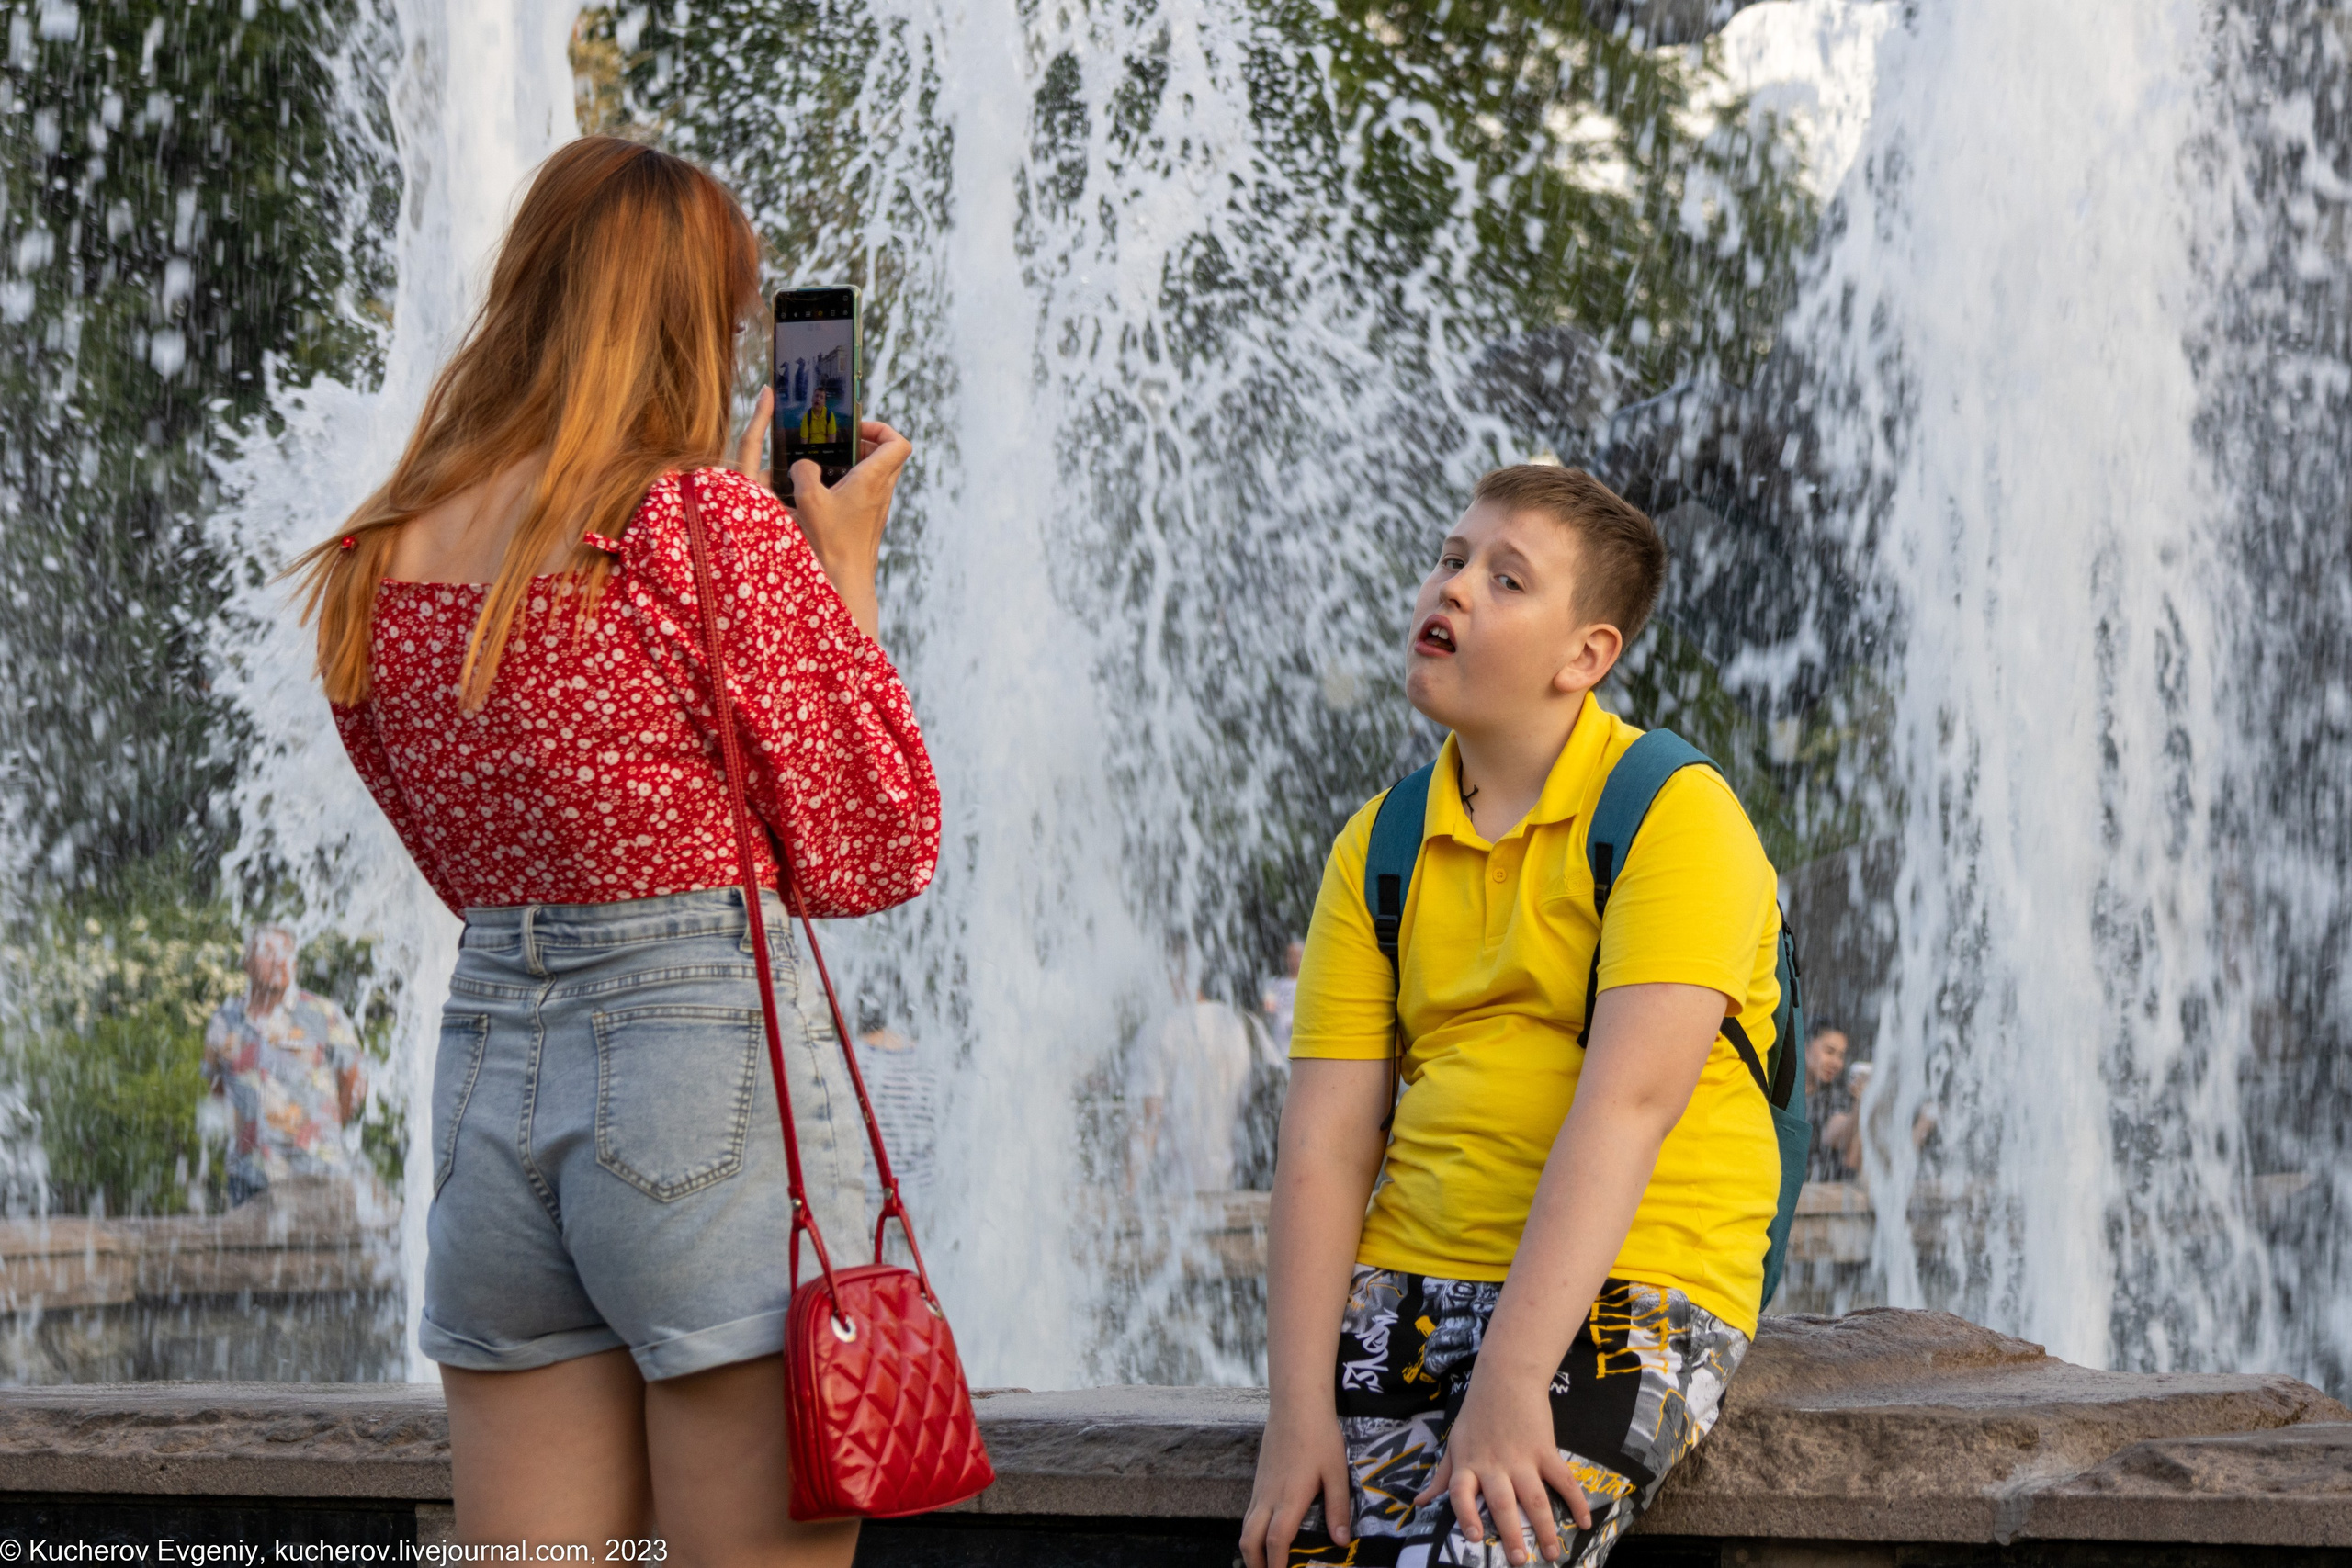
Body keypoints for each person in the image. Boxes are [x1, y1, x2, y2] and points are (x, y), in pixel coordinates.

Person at [288, 137, 936, 1564]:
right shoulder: (699, 523)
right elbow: (871, 843)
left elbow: (472, 859)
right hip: (694, 1088)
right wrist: (840, 570)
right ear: (696, 321)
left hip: (486, 1095)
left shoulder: (376, 557)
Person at [1242, 466, 1784, 1568]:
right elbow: (1324, 1144)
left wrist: (1507, 1382)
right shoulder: (1377, 847)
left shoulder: (1676, 815)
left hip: (1629, 1292)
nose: (1452, 590)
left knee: (1489, 1558)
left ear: (1584, 656)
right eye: (1450, 560)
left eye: (1505, 579)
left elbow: (1627, 1109)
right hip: (1409, 1285)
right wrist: (1292, 1414)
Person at [201, 925, 365, 1207]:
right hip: (248, 1177)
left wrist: (325, 1131)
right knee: (246, 1252)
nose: (279, 961)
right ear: (246, 963)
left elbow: (354, 1080)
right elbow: (216, 1087)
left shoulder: (323, 1014)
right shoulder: (224, 1021)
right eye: (267, 952)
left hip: (316, 1174)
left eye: (286, 953)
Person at [1136, 939, 1272, 1196]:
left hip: (1180, 1195)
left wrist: (1126, 1198)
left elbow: (1149, 1121)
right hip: (1248, 1188)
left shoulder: (1156, 1031)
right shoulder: (1245, 1025)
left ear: (1168, 972)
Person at [1805, 1023, 1856, 1181]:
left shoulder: (1836, 1095)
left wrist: (1863, 1104)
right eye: (1829, 1051)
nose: (1836, 1063)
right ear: (1805, 1046)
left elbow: (1834, 1135)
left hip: (1826, 1193)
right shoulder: (1778, 1090)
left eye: (1841, 1056)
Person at [1261, 938, 1305, 1055]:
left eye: (1297, 956)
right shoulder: (1274, 983)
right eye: (1289, 956)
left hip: (1300, 1047)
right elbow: (1267, 1010)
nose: (1292, 960)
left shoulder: (1310, 985)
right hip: (1277, 1047)